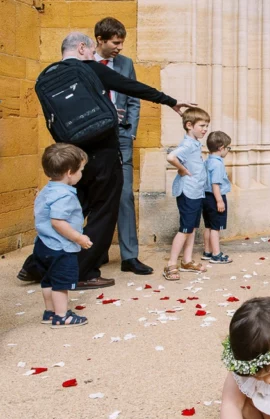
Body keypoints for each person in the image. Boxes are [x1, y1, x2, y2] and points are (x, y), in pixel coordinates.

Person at [16, 32, 194, 289]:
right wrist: (170, 101)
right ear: (81, 48)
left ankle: (35, 265)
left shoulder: (48, 76)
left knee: (69, 211)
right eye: (90, 51)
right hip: (103, 154)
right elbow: (131, 86)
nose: (92, 55)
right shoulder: (89, 68)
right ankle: (82, 272)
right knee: (104, 212)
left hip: (71, 157)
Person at [94, 17, 152, 276]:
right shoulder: (85, 63)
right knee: (95, 193)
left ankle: (129, 257)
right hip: (93, 139)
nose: (119, 48)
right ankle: (97, 251)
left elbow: (134, 99)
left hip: (121, 137)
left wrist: (131, 132)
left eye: (121, 43)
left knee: (125, 195)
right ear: (100, 39)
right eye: (115, 43)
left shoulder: (126, 64)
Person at [34, 144, 92, 328]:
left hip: (43, 244)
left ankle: (50, 312)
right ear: (69, 173)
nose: (81, 173)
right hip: (60, 247)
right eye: (81, 170)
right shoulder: (64, 195)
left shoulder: (47, 190)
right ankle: (61, 316)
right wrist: (78, 238)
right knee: (61, 283)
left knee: (48, 280)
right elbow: (58, 222)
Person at [163, 108, 211, 281]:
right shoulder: (188, 144)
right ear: (189, 125)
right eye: (202, 126)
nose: (205, 129)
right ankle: (171, 264)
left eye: (206, 126)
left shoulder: (195, 143)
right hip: (188, 191)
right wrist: (182, 169)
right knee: (185, 229)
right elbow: (171, 157)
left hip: (196, 191)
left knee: (192, 227)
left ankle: (187, 260)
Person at [202, 131, 233, 264]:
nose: (228, 150)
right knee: (216, 228)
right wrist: (219, 201)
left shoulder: (208, 161)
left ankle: (207, 251)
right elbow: (215, 184)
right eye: (228, 148)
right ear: (221, 148)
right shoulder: (218, 164)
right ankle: (216, 254)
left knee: (208, 226)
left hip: (205, 197)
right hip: (215, 197)